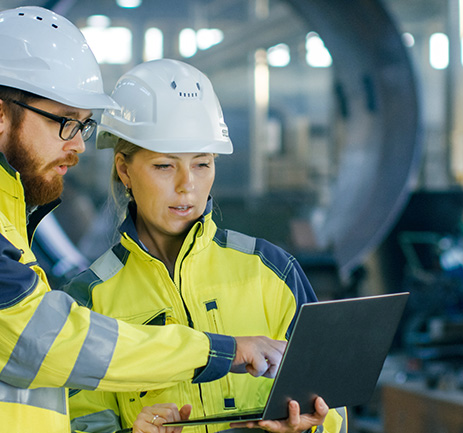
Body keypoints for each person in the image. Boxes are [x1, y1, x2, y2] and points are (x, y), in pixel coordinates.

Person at [0, 8, 287, 433]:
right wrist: (218, 351)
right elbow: (46, 343)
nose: (77, 145)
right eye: (64, 123)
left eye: (83, 126)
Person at [63, 59, 348, 433]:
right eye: (165, 166)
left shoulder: (272, 271)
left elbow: (333, 408)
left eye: (201, 164)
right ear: (124, 170)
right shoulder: (91, 299)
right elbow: (78, 421)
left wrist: (310, 427)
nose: (187, 186)